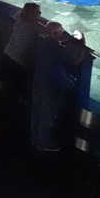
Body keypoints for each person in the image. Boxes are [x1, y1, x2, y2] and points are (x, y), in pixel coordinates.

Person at [29, 21, 78, 152]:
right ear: (56, 34)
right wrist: (81, 45)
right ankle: (43, 143)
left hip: (38, 81)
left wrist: (64, 40)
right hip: (51, 86)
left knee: (37, 112)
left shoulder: (41, 42)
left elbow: (50, 39)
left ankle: (35, 139)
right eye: (61, 32)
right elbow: (75, 61)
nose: (63, 34)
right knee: (47, 115)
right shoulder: (59, 50)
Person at [2, 2, 42, 99]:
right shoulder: (35, 27)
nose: (40, 14)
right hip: (19, 64)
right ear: (30, 14)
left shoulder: (19, 17)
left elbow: (17, 13)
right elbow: (48, 32)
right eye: (37, 12)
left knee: (7, 87)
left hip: (7, 56)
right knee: (16, 89)